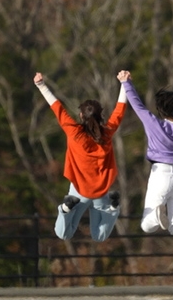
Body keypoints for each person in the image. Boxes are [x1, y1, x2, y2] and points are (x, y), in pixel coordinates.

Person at [34, 71, 127, 242]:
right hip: (100, 192)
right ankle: (113, 209)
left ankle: (65, 209)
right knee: (99, 236)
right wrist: (125, 83)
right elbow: (119, 112)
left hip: (78, 192)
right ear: (101, 116)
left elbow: (58, 108)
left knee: (63, 233)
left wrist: (41, 85)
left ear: (82, 116)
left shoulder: (74, 133)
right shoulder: (107, 133)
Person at [118, 69, 173, 251]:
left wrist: (127, 83)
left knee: (146, 225)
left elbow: (138, 106)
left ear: (160, 109)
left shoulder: (155, 124)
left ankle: (157, 216)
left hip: (160, 175)